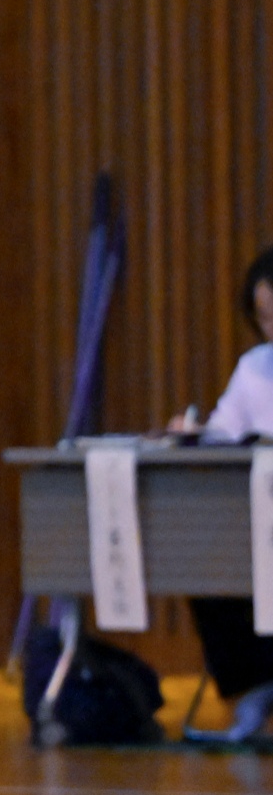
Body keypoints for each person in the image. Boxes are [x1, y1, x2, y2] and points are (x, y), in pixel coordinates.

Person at [169, 247, 273, 730]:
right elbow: (222, 433)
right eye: (265, 319)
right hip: (254, 520)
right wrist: (191, 433)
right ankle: (252, 689)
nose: (272, 329)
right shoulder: (254, 367)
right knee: (203, 558)